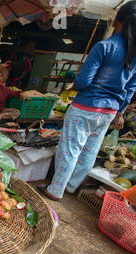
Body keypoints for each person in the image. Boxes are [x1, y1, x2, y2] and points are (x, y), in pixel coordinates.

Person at [38, 1, 136, 201]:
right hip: (109, 112)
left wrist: (74, 85)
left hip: (87, 105)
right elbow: (130, 89)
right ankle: (72, 187)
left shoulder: (105, 46)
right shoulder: (134, 55)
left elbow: (83, 81)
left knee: (70, 149)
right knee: (89, 151)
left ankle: (55, 190)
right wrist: (120, 112)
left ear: (118, 20)